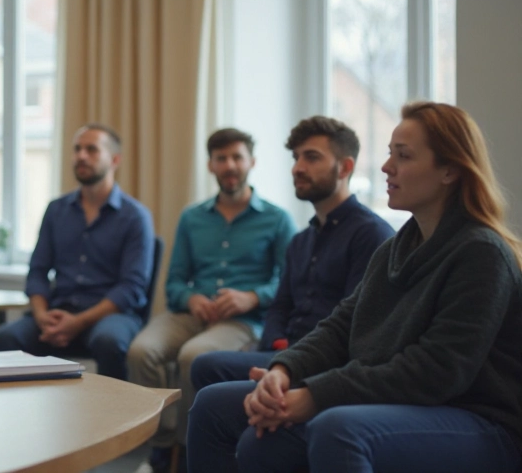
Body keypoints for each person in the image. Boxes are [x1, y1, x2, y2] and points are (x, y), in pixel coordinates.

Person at [187, 102, 522, 473]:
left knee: (337, 428)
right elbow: (339, 327)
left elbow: (437, 371)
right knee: (213, 405)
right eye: (390, 153)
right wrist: (283, 371)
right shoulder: (395, 248)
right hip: (412, 402)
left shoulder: (481, 252)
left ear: (450, 170)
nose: (386, 167)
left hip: (476, 419)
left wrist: (314, 396)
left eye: (403, 156)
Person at [128, 128, 297, 473]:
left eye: (237, 157)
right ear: (211, 165)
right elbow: (174, 281)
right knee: (141, 351)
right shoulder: (192, 217)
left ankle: (190, 451)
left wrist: (251, 297)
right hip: (193, 312)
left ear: (252, 162)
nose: (230, 165)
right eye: (222, 159)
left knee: (195, 356)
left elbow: (288, 283)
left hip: (245, 320)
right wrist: (191, 299)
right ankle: (161, 449)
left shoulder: (277, 219)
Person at [189, 117, 394, 393]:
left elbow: (356, 327)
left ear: (345, 167)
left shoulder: (371, 234)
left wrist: (289, 364)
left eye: (311, 158)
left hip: (325, 365)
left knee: (208, 375)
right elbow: (280, 306)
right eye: (296, 158)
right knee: (205, 365)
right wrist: (277, 347)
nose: (297, 168)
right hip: (287, 356)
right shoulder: (302, 240)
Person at [0, 124, 155, 381]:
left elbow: (131, 287)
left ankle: (117, 417)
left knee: (109, 341)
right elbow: (38, 271)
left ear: (114, 160)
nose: (81, 156)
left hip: (110, 314)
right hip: (58, 309)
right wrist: (42, 315)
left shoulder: (135, 216)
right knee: (6, 337)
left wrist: (79, 322)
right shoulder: (56, 210)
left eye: (92, 150)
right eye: (77, 149)